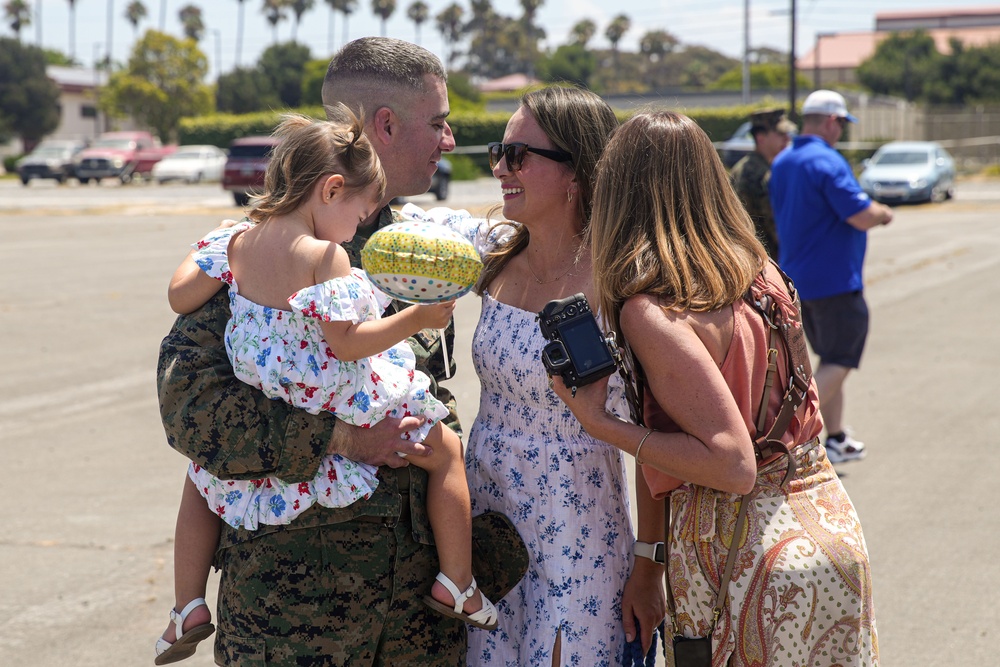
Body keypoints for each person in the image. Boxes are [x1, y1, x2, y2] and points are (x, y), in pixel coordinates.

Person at [156, 37, 491, 666]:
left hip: (413, 621)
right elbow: (190, 410)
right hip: (293, 617)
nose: (449, 141)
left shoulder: (420, 248)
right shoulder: (261, 255)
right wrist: (341, 439)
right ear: (384, 126)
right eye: (439, 123)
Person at [551, 110, 879, 666]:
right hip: (830, 532)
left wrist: (602, 424)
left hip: (747, 560)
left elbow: (731, 465)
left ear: (620, 193)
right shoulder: (761, 271)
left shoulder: (652, 310)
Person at [401, 86, 666, 666]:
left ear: (576, 170)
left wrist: (649, 563)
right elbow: (392, 223)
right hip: (486, 520)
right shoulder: (491, 250)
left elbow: (654, 439)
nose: (499, 168)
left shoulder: (623, 279)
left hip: (578, 526)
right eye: (500, 150)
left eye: (517, 155)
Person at [769, 89, 894, 463]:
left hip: (797, 280)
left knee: (826, 358)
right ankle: (786, 435)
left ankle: (835, 437)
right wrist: (883, 212)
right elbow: (860, 214)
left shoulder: (784, 160)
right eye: (841, 124)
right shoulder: (827, 161)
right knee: (841, 358)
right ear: (831, 121)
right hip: (835, 281)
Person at [729, 108, 795, 259]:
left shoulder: (742, 167)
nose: (787, 139)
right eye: (780, 134)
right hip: (764, 260)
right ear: (760, 138)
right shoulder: (762, 175)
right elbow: (777, 229)